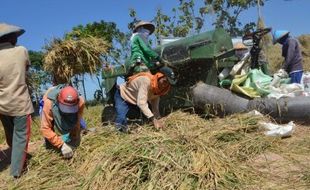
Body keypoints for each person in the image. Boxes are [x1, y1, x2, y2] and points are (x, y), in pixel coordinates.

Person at [0, 23, 34, 177]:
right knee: (21, 136)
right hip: (20, 104)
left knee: (11, 134)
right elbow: (25, 68)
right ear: (12, 37)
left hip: (2, 105)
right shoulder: (21, 51)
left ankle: (15, 159)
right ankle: (16, 173)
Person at [114, 67, 177, 132]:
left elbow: (155, 108)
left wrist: (158, 119)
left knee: (145, 118)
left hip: (134, 100)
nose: (164, 85)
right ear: (159, 76)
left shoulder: (158, 90)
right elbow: (141, 103)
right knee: (121, 117)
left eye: (167, 83)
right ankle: (117, 133)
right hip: (123, 96)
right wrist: (153, 119)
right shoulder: (146, 81)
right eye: (164, 81)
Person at [40, 85, 84, 158]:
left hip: (68, 106)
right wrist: (61, 145)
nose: (68, 112)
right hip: (52, 106)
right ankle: (51, 148)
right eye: (66, 108)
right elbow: (45, 128)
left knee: (78, 130)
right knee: (49, 137)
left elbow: (78, 121)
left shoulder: (80, 101)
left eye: (70, 108)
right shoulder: (48, 103)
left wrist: (75, 134)